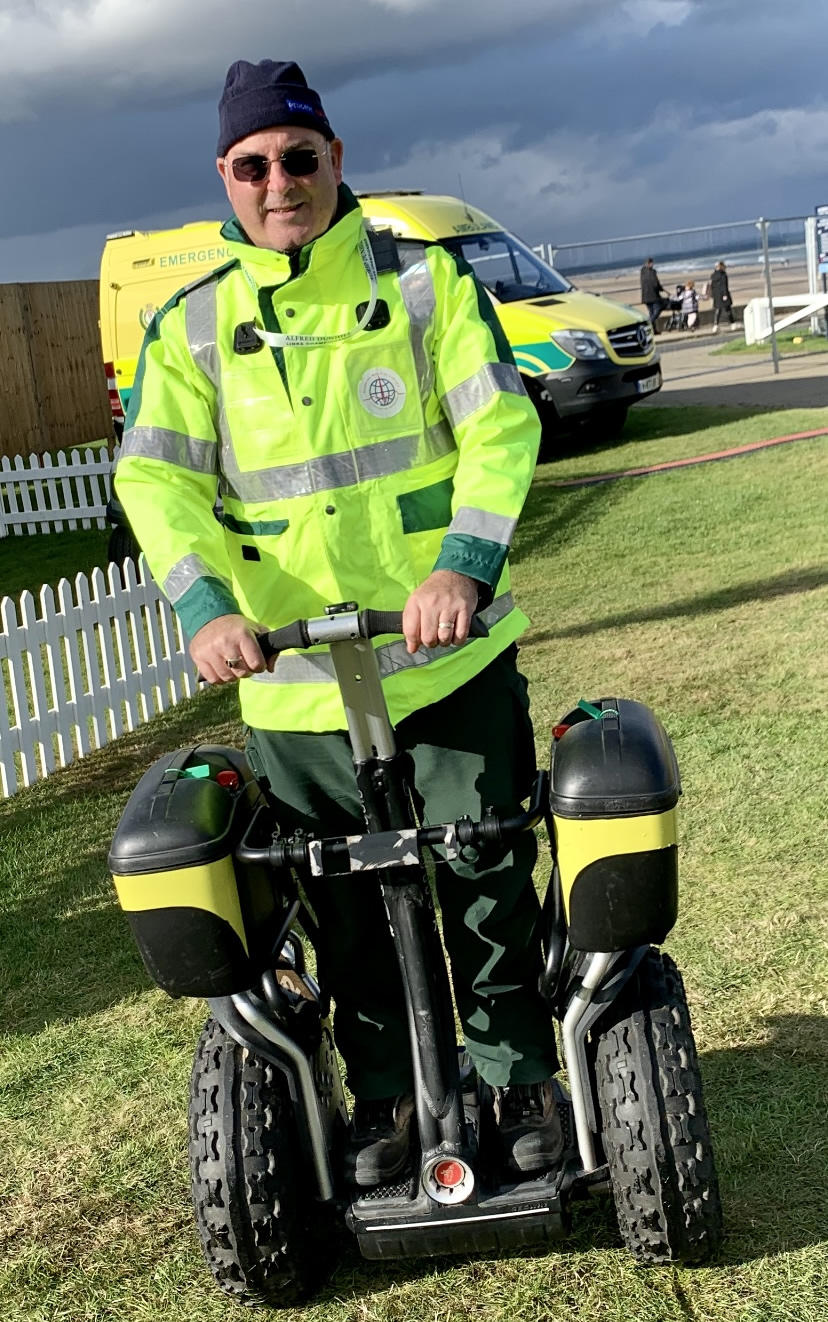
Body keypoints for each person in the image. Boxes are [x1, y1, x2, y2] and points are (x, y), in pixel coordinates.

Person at [115, 58, 562, 1190]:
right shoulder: (194, 328)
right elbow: (156, 484)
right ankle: (388, 1099)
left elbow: (501, 428)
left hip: (442, 661)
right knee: (345, 905)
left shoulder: (423, 286)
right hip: (300, 684)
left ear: (335, 160)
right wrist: (207, 606)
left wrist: (462, 564)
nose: (279, 181)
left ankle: (515, 1078)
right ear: (225, 173)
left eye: (298, 158)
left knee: (486, 876)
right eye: (254, 163)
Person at [640, 256, 667, 332]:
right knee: (658, 309)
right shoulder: (652, 272)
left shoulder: (642, 271)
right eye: (652, 263)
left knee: (651, 312)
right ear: (650, 263)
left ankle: (653, 330)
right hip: (653, 296)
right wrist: (660, 288)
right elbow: (655, 284)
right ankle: (649, 323)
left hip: (645, 296)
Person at [710, 260, 734, 329]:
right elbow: (724, 286)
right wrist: (725, 294)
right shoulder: (723, 275)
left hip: (716, 295)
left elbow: (712, 286)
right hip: (723, 294)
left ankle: (716, 325)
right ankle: (732, 323)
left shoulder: (713, 275)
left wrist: (713, 295)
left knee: (718, 310)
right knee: (728, 309)